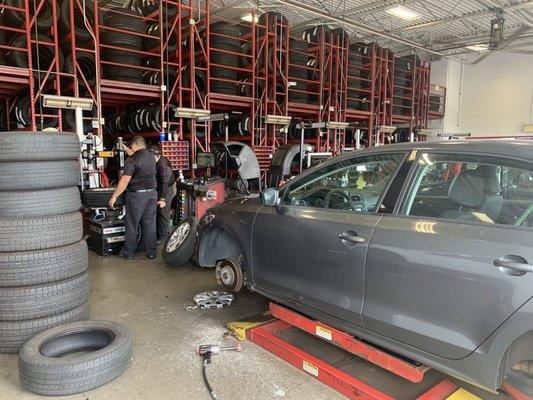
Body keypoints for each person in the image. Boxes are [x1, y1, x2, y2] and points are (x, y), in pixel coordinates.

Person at [109, 136, 158, 260]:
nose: (131, 148)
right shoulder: (151, 157)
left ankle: (128, 253)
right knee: (149, 224)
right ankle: (151, 252)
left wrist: (114, 196)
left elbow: (125, 180)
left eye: (131, 146)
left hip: (137, 196)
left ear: (135, 145)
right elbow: (138, 158)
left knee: (132, 224)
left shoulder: (131, 160)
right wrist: (125, 148)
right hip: (152, 195)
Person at [148, 145, 176, 243]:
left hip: (167, 188)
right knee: (156, 211)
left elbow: (164, 183)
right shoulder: (154, 160)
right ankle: (156, 233)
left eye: (152, 158)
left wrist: (162, 199)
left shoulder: (164, 166)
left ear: (158, 156)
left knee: (163, 211)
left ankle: (164, 236)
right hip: (159, 186)